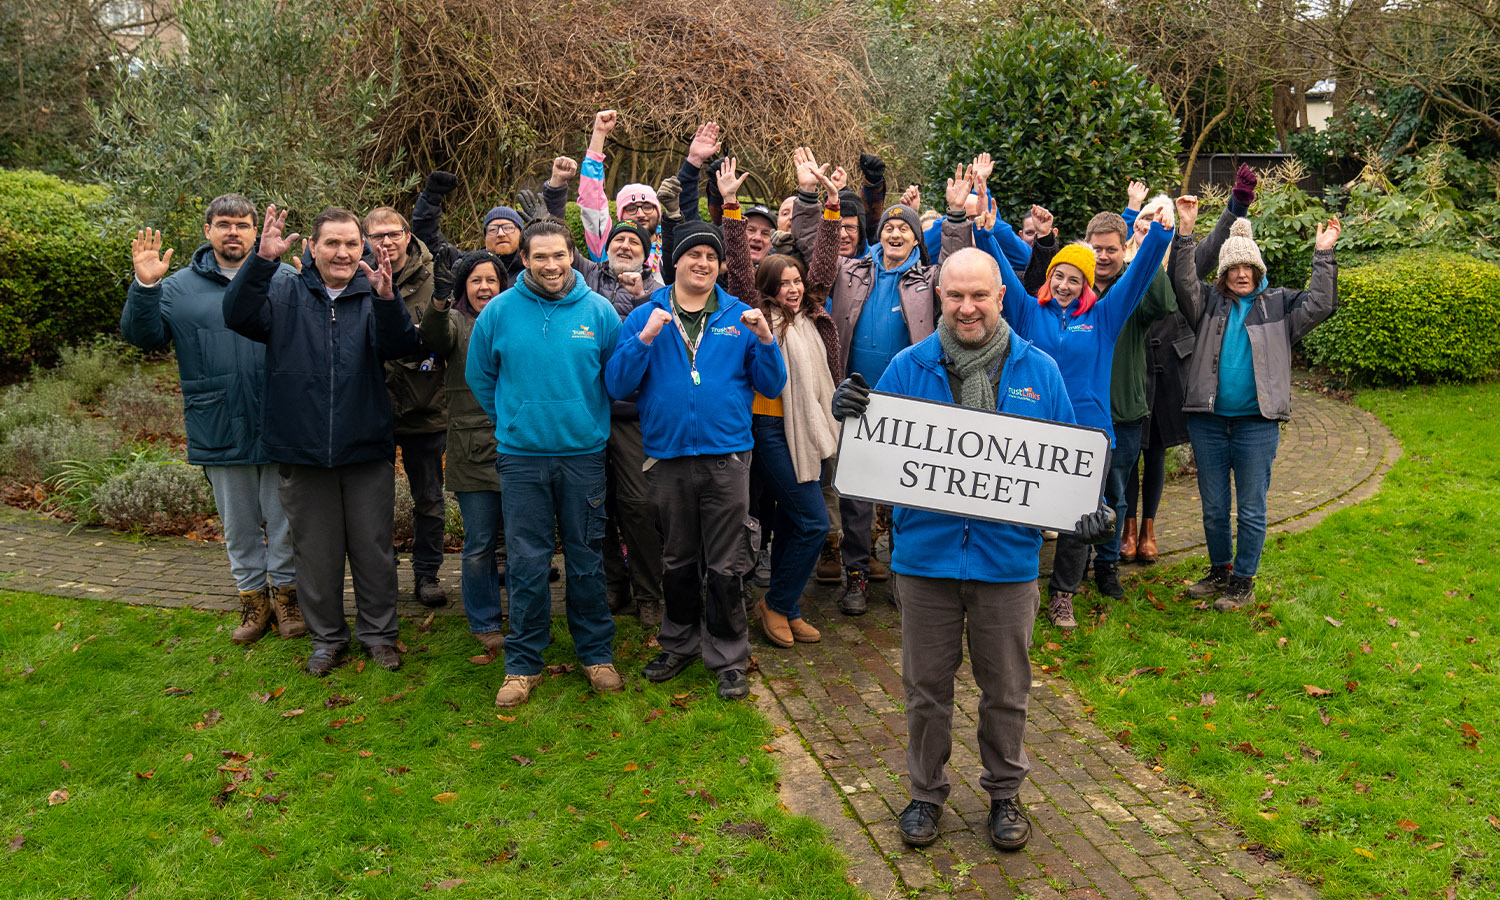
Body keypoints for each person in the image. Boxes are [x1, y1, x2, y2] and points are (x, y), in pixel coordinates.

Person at [827, 248, 1114, 852]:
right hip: (925, 562)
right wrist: (850, 416)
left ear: (1000, 298)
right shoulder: (907, 368)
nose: (966, 307)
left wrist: (1084, 510)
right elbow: (874, 453)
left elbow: (1065, 468)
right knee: (926, 690)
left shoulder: (1040, 372)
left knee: (1006, 692)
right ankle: (925, 795)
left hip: (1007, 565)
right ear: (940, 299)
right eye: (954, 296)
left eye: (978, 295)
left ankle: (1005, 794)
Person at [223, 206, 421, 675]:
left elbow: (402, 348)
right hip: (302, 449)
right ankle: (328, 639)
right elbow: (235, 315)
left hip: (365, 447)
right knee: (315, 554)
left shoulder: (374, 294)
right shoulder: (283, 292)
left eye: (352, 243)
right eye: (332, 242)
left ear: (364, 249)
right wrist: (261, 261)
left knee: (374, 551)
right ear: (312, 248)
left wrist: (389, 301)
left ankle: (378, 636)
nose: (343, 252)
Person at [604, 218, 787, 701]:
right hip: (666, 458)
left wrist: (767, 340)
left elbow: (771, 386)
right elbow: (617, 385)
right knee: (678, 560)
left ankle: (728, 655)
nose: (702, 263)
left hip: (727, 458)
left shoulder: (740, 316)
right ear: (675, 262)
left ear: (719, 265)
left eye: (710, 256)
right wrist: (645, 338)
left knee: (727, 564)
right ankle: (679, 644)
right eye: (693, 255)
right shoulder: (646, 313)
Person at [794, 152, 976, 615]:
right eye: (890, 227)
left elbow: (959, 266)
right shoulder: (849, 271)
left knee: (905, 493)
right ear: (880, 234)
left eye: (906, 229)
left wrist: (955, 217)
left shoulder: (930, 278)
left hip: (911, 401)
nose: (895, 233)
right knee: (854, 493)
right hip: (856, 400)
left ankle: (903, 571)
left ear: (917, 239)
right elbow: (813, 246)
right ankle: (856, 574)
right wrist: (810, 198)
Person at [982, 189, 1173, 629]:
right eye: (1059, 276)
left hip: (1088, 434)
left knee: (1077, 517)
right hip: (1033, 429)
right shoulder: (1029, 313)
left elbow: (1138, 277)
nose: (1066, 286)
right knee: (1025, 511)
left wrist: (1160, 236)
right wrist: (986, 231)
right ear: (1048, 278)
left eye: (1075, 279)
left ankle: (1063, 593)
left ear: (1086, 284)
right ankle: (1020, 586)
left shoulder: (1105, 318)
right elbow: (999, 283)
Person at [121, 195, 303, 644]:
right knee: (239, 525)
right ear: (208, 231)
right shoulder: (178, 287)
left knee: (284, 521)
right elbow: (142, 337)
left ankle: (287, 599)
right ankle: (253, 604)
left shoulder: (282, 279)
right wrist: (145, 288)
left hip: (279, 419)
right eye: (224, 224)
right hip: (218, 423)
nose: (233, 232)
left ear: (255, 232)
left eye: (243, 225)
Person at [466, 220, 625, 708]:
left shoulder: (599, 313)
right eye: (540, 257)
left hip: (583, 457)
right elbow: (480, 377)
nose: (550, 266)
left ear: (571, 256)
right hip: (521, 460)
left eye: (559, 256)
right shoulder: (498, 312)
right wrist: (514, 420)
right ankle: (523, 663)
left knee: (585, 558)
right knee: (527, 562)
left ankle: (596, 654)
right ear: (526, 260)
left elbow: (615, 377)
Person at [1169, 198, 1341, 609]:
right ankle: (1220, 570)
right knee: (1213, 507)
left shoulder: (1281, 305)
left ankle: (1243, 581)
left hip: (1256, 425)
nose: (1241, 274)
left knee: (1250, 508)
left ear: (1258, 270)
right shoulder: (1208, 303)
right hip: (1208, 422)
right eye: (1233, 268)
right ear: (1224, 273)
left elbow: (1322, 304)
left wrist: (1324, 254)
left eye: (1248, 267)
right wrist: (1186, 232)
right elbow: (1184, 283)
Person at [719, 158, 841, 648]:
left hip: (808, 427)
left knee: (798, 521)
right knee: (814, 521)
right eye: (784, 282)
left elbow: (826, 265)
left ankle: (785, 606)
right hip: (769, 432)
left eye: (797, 281)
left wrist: (830, 207)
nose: (792, 288)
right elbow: (740, 266)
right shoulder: (757, 312)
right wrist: (730, 207)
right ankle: (775, 603)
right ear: (769, 288)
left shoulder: (811, 312)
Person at [418, 249, 508, 660]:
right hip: (472, 449)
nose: (485, 287)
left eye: (491, 280)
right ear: (463, 288)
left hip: (523, 443)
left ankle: (526, 616)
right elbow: (433, 340)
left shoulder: (516, 317)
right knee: (480, 543)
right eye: (476, 280)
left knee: (525, 544)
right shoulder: (454, 322)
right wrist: (438, 301)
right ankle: (486, 621)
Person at [365, 206, 448, 608]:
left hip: (426, 407)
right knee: (372, 503)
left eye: (393, 233)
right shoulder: (355, 278)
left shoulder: (434, 278)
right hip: (371, 410)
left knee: (429, 498)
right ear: (366, 239)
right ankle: (381, 579)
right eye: (377, 235)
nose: (386, 242)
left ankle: (428, 575)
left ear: (408, 234)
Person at [1120, 195, 1194, 564]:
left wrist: (1235, 207)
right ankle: (1128, 528)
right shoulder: (1124, 260)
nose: (1148, 223)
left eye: (1154, 219)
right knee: (1130, 452)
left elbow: (1205, 249)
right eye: (1143, 218)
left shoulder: (1175, 260)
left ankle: (1149, 528)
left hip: (1166, 371)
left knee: (1157, 451)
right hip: (1133, 369)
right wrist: (1132, 210)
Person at [412, 170, 525, 287]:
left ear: (521, 233)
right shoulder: (468, 265)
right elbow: (430, 241)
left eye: (508, 227)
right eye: (493, 229)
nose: (500, 233)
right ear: (485, 238)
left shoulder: (532, 268)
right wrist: (430, 198)